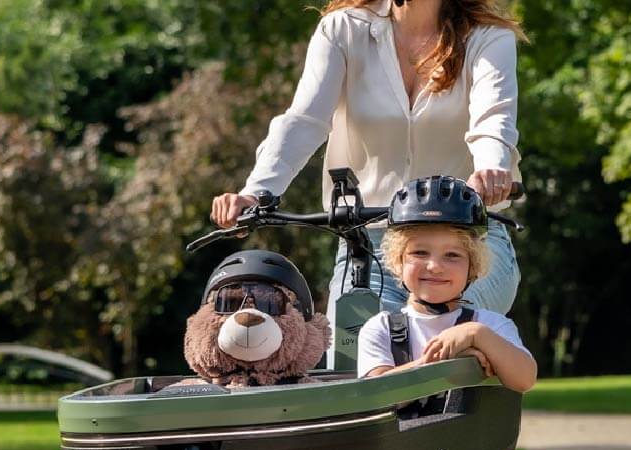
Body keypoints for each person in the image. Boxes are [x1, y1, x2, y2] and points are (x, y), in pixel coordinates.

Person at [210, 0, 525, 318]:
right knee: (353, 341)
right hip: (368, 246)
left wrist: (492, 169)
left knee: (446, 325)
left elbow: (491, 121)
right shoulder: (343, 29)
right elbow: (305, 120)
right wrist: (256, 192)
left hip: (466, 242)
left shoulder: (487, 37)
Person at [356, 176, 536, 393]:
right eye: (420, 253)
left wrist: (476, 334)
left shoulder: (489, 325)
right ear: (398, 261)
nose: (434, 267)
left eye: (452, 255)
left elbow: (524, 380)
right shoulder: (381, 328)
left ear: (473, 267)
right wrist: (444, 365)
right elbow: (374, 393)